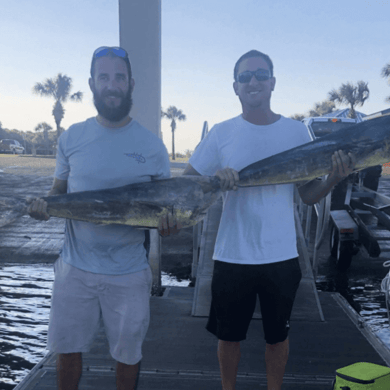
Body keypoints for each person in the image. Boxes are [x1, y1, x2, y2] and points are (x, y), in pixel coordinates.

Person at [183, 50, 356, 390]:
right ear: (235, 87)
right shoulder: (221, 133)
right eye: (246, 77)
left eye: (261, 74)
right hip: (232, 255)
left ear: (273, 83)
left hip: (281, 257)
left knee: (277, 337)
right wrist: (216, 179)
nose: (254, 81)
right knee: (229, 337)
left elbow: (306, 194)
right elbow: (188, 184)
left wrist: (333, 178)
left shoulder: (295, 132)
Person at [28, 46, 180, 390]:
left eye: (119, 77)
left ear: (131, 84)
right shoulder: (72, 138)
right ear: (93, 84)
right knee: (67, 350)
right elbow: (58, 194)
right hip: (74, 270)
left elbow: (164, 212)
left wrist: (170, 226)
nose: (112, 85)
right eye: (104, 77)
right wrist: (42, 208)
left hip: (129, 273)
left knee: (128, 354)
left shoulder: (153, 146)